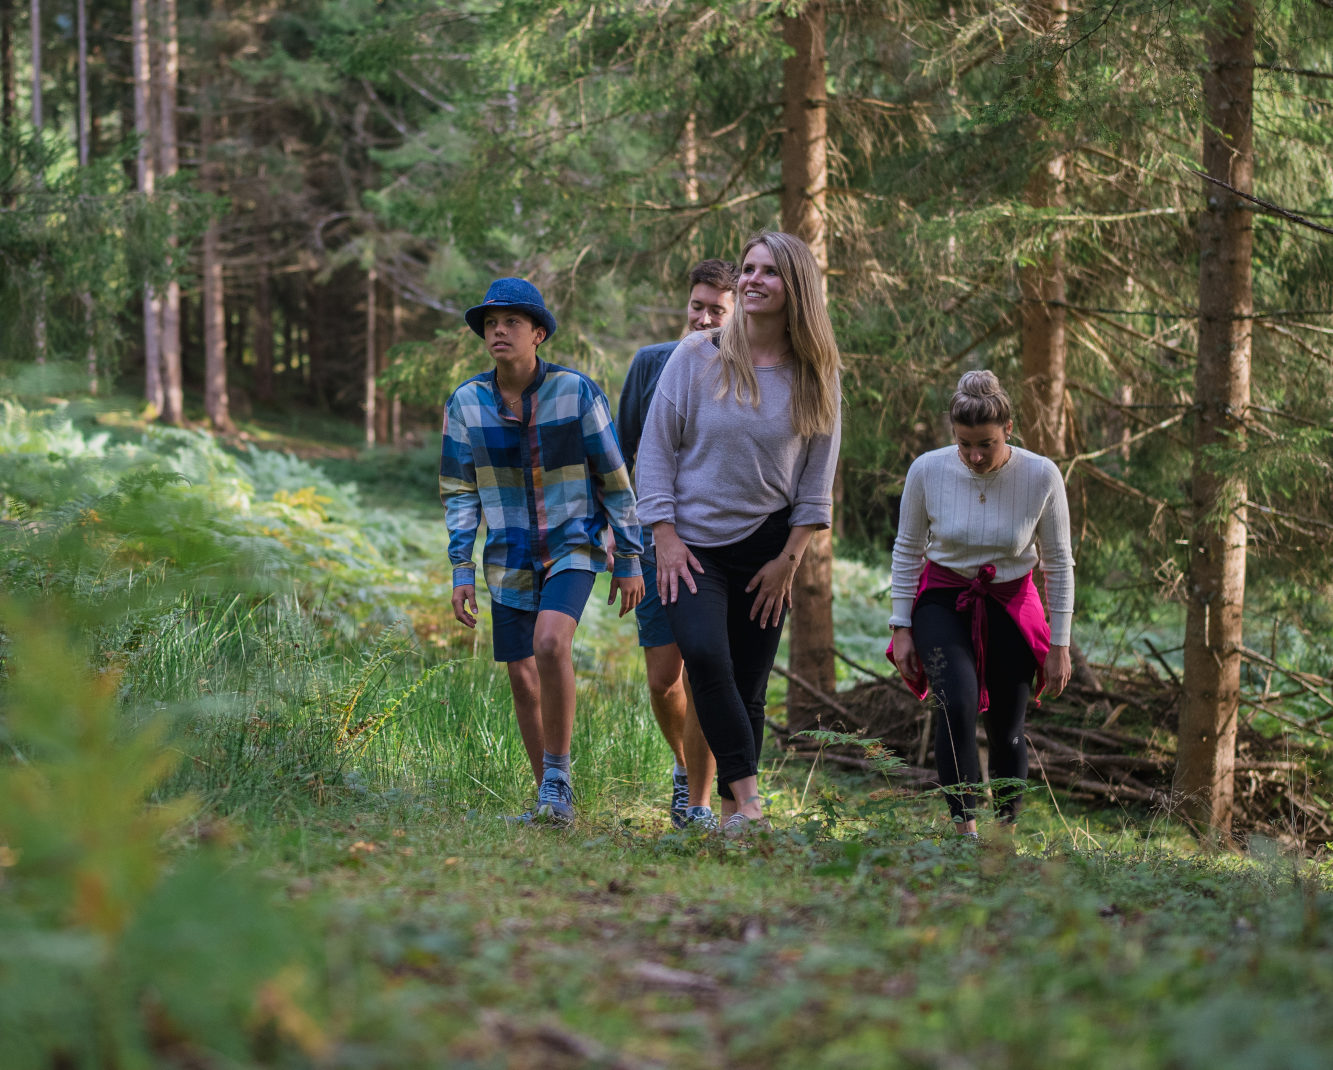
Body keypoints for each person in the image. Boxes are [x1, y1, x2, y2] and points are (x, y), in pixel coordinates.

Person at [636, 232, 842, 838]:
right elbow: (654, 452)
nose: (752, 280)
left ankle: (731, 822)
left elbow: (815, 481)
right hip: (691, 546)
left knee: (748, 689)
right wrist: (665, 536)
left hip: (768, 549)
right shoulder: (696, 357)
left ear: (796, 287)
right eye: (747, 269)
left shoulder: (817, 375)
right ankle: (751, 802)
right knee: (704, 657)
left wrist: (790, 558)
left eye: (768, 272)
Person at [439, 277, 644, 826]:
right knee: (521, 675)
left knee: (551, 643)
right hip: (507, 557)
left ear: (538, 333)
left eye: (510, 322)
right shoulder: (466, 403)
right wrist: (461, 567)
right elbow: (460, 492)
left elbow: (615, 477)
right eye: (490, 323)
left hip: (571, 545)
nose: (498, 330)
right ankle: (551, 800)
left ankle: (558, 778)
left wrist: (628, 558)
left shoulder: (577, 393)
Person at [887, 370, 1074, 836]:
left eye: (986, 444)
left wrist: (1061, 643)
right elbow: (908, 548)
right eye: (965, 442)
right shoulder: (927, 470)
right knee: (956, 703)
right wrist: (900, 626)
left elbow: (1058, 562)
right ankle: (964, 833)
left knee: (1008, 726)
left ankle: (1004, 835)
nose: (974, 455)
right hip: (944, 600)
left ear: (1008, 430)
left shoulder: (1041, 475)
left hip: (1011, 602)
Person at [617, 258, 740, 830]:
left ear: (736, 314)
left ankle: (698, 801)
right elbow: (621, 459)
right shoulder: (650, 365)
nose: (704, 318)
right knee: (663, 679)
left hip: (714, 544)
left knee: (705, 670)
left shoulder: (744, 370)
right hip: (652, 536)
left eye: (718, 309)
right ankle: (682, 766)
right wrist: (622, 541)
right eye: (698, 306)